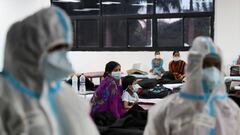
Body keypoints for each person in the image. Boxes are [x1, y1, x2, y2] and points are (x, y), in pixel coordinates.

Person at [0, 7, 99, 135]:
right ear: (28, 50)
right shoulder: (5, 97)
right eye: (55, 48)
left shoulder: (65, 94)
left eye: (64, 48)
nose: (61, 56)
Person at [144, 36, 240, 135]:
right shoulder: (164, 111)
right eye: (205, 65)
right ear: (192, 68)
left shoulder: (232, 111)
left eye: (216, 66)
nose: (211, 71)